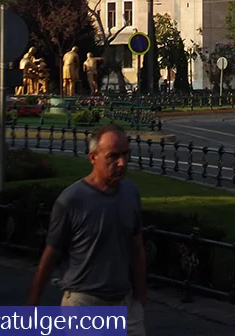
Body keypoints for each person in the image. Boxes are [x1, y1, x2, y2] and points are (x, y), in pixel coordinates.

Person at [25, 124, 147, 335]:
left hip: (124, 304)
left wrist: (140, 299)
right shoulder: (72, 200)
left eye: (126, 154)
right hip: (84, 306)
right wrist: (32, 305)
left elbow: (137, 248)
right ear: (93, 158)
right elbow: (50, 255)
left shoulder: (131, 193)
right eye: (112, 156)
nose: (121, 163)